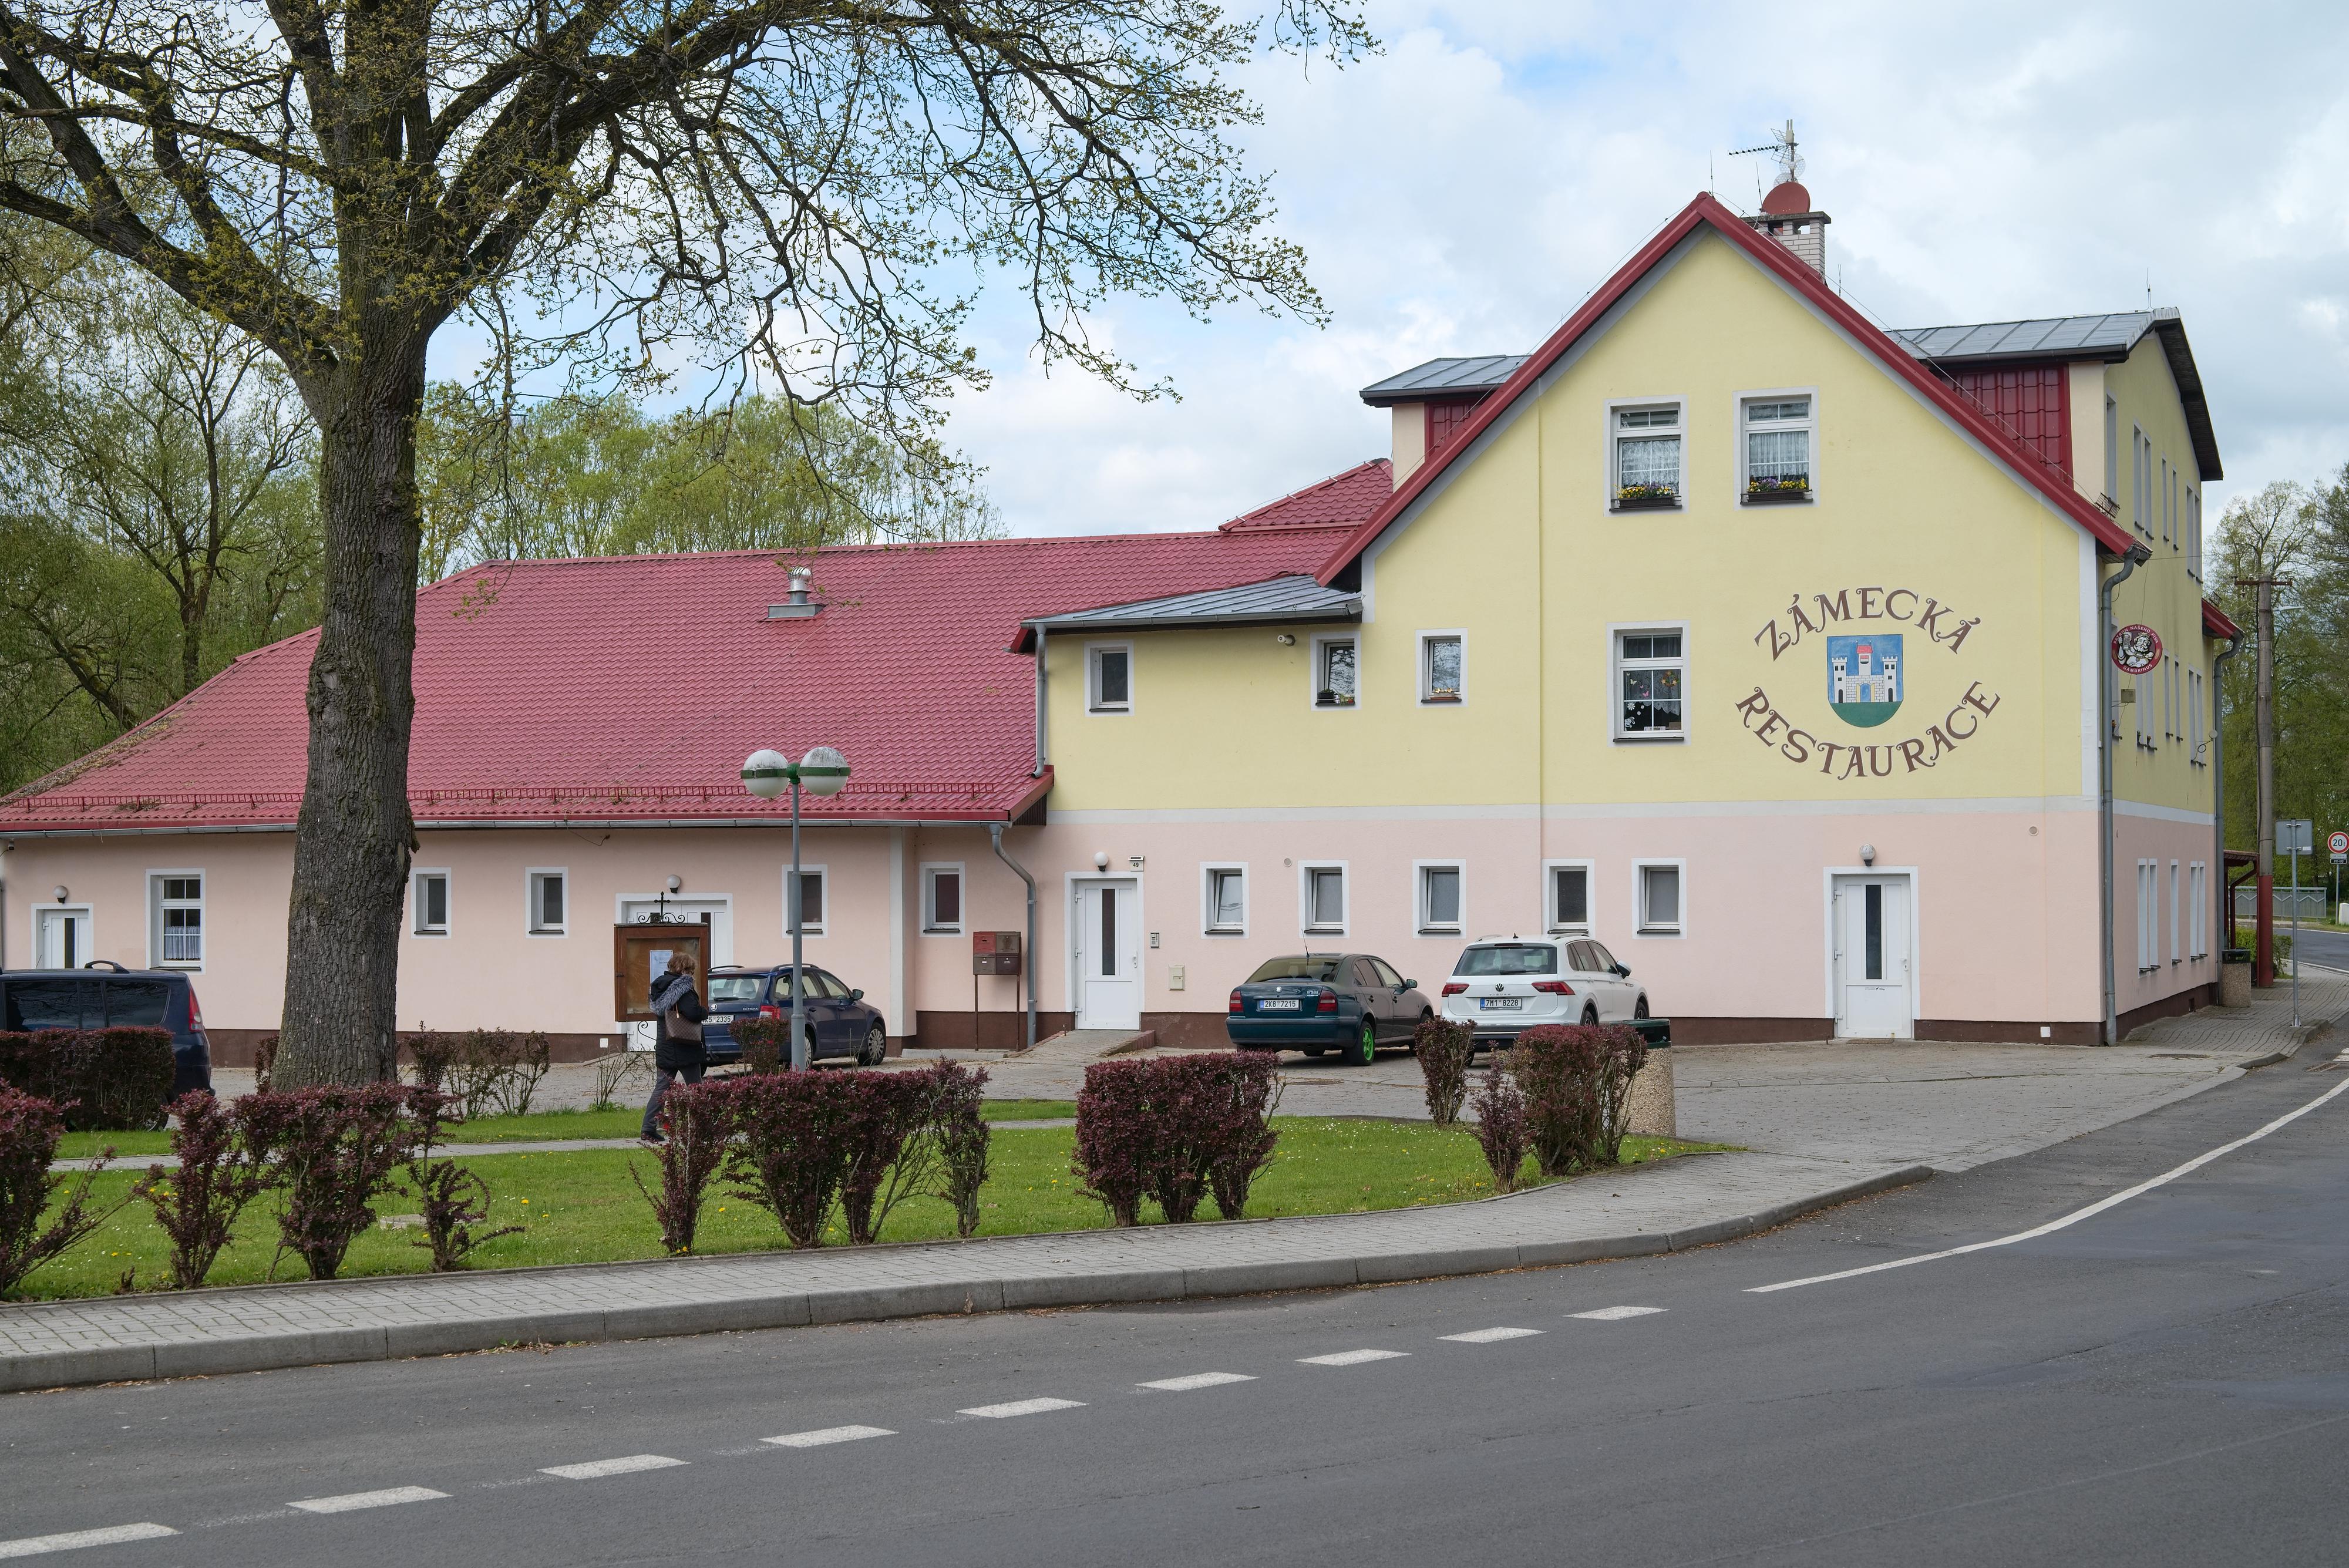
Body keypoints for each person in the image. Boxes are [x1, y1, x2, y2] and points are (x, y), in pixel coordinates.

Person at [640, 949, 709, 1142]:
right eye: (691, 970)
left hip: (666, 1046)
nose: (693, 974)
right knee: (696, 1088)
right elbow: (693, 1012)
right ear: (685, 970)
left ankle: (648, 1128)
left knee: (661, 1089)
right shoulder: (683, 988)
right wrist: (705, 1011)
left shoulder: (659, 987)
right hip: (685, 1047)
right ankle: (702, 1128)